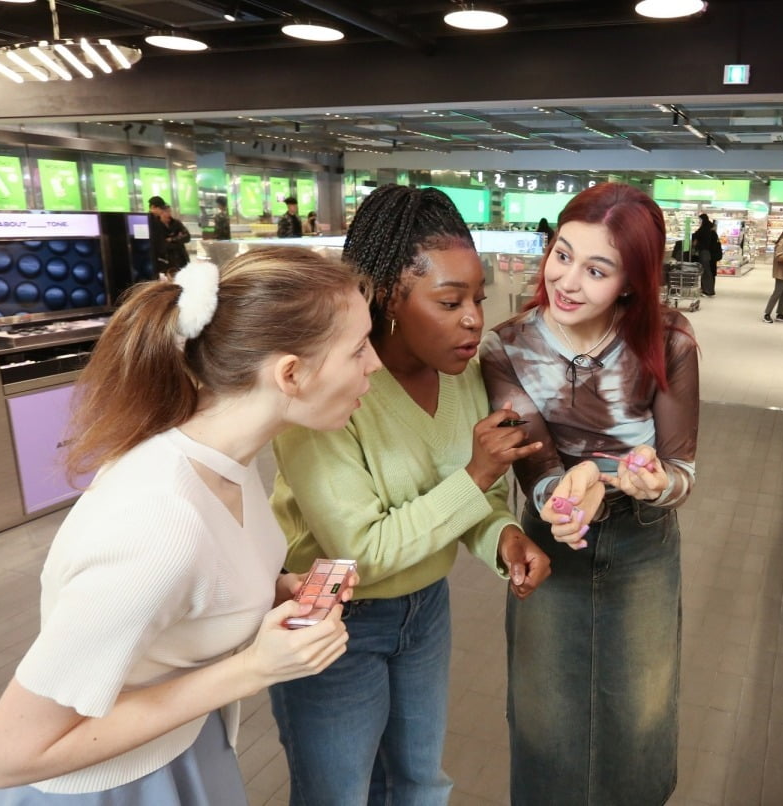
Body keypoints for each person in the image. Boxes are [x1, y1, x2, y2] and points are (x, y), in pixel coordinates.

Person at [0, 248, 379, 803]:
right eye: (359, 348)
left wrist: (273, 593)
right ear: (291, 374)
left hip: (177, 747)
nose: (374, 364)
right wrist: (253, 670)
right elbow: (8, 755)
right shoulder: (157, 524)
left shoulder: (227, 459)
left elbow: (190, 596)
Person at [267, 184, 552, 805]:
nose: (475, 318)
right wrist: (476, 478)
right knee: (341, 793)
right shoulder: (324, 394)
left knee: (420, 781)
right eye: (449, 302)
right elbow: (360, 551)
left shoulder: (465, 376)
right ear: (386, 297)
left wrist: (502, 536)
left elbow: (476, 496)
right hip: (332, 617)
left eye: (476, 297)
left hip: (425, 611)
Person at [480, 182, 700, 805]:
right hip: (552, 537)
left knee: (641, 710)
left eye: (596, 269)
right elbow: (535, 459)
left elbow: (681, 469)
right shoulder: (507, 345)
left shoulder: (670, 340)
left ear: (631, 282)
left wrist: (655, 485)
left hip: (642, 541)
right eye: (562, 254)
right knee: (544, 710)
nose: (567, 281)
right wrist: (562, 498)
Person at [691, 212, 720, 296]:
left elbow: (696, 236)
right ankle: (707, 289)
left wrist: (696, 240)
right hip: (710, 254)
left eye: (700, 220)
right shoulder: (710, 229)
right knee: (708, 271)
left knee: (706, 271)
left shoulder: (704, 229)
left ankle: (708, 290)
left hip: (705, 253)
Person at [158, 205, 191, 278]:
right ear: (160, 213)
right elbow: (162, 244)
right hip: (166, 261)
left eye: (170, 211)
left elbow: (187, 237)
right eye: (166, 212)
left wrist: (172, 239)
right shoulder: (157, 226)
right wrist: (178, 239)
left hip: (181, 259)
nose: (169, 214)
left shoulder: (176, 223)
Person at [146, 195, 169, 279]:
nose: (162, 211)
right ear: (153, 207)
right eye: (160, 208)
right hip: (154, 257)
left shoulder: (156, 219)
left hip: (156, 257)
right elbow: (156, 239)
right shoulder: (150, 220)